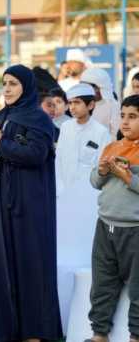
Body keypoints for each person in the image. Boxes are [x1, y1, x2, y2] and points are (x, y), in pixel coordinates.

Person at [0, 64, 63, 342]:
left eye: (13, 83)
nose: (7, 89)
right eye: (4, 83)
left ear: (26, 86)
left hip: (29, 202)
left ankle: (34, 330)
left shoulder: (39, 119)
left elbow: (36, 155)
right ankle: (5, 329)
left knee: (30, 262)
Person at [87, 94, 139, 342]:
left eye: (133, 117)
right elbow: (96, 183)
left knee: (138, 288)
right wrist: (103, 170)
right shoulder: (112, 146)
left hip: (134, 230)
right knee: (102, 284)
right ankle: (99, 334)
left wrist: (127, 176)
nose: (125, 122)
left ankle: (135, 336)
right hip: (105, 226)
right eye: (123, 116)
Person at [55, 83, 109, 195]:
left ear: (91, 105)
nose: (72, 107)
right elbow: (58, 159)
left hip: (89, 192)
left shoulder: (101, 132)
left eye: (77, 102)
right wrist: (59, 189)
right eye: (70, 103)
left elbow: (102, 166)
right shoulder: (66, 127)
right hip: (65, 190)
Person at [81, 68, 120, 137]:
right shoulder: (79, 104)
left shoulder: (113, 106)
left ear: (98, 88)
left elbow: (116, 133)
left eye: (86, 87)